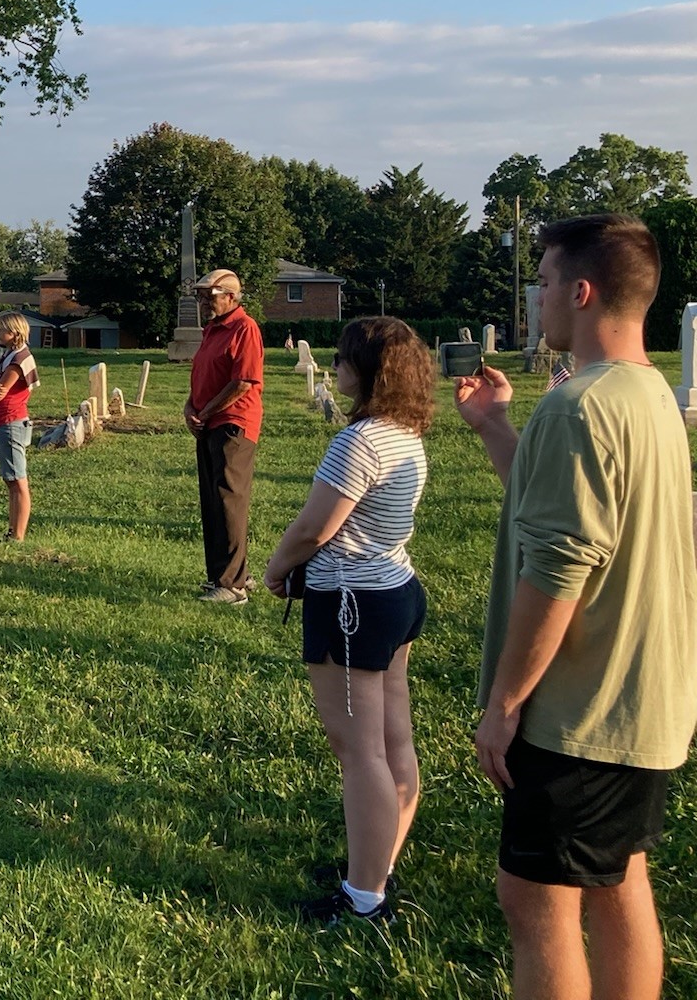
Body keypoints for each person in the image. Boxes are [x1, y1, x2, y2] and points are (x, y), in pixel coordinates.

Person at [455, 215, 696, 1000]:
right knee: (617, 880)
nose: (540, 298)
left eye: (548, 282)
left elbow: (559, 568)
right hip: (642, 704)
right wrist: (494, 427)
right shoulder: (645, 390)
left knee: (536, 902)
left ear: (583, 292)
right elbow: (565, 506)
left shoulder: (579, 406)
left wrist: (506, 700)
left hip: (579, 712)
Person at [265, 317, 434, 927]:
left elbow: (316, 526)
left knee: (359, 750)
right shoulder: (406, 433)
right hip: (394, 589)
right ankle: (376, 864)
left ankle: (364, 899)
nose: (336, 368)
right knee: (394, 741)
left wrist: (277, 566)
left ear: (368, 370)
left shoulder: (359, 441)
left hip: (351, 600)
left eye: (343, 359)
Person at [185, 268, 264, 604]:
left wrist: (206, 411)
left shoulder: (244, 328)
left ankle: (233, 585)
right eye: (202, 296)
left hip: (233, 423)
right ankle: (223, 574)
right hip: (208, 423)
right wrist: (190, 407)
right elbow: (202, 375)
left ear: (231, 296)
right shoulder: (212, 330)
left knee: (229, 500)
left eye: (210, 296)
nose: (205, 302)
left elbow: (243, 382)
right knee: (213, 501)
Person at [0, 312, 38, 541]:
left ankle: (17, 534)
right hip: (6, 421)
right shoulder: (10, 355)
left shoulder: (19, 359)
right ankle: (12, 530)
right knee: (11, 480)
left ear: (15, 333)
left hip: (11, 421)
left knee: (18, 480)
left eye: (2, 329)